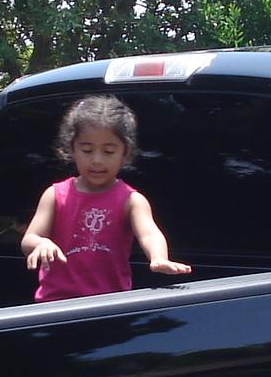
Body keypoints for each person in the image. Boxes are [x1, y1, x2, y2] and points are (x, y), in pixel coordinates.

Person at [23, 95, 191, 301]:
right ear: (72, 149)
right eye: (87, 150)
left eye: (109, 151)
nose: (97, 160)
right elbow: (29, 238)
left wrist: (158, 257)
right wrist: (40, 243)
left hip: (108, 306)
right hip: (56, 306)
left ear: (125, 153)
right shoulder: (55, 194)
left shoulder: (131, 200)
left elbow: (149, 233)